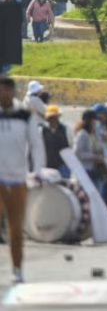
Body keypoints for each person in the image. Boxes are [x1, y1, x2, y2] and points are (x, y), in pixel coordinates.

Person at [0, 76, 45, 283]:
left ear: (12, 92)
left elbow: (36, 145)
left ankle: (17, 269)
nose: (3, 95)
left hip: (17, 179)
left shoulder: (25, 115)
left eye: (5, 91)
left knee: (15, 228)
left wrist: (36, 171)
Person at [41, 105, 71, 178]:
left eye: (54, 117)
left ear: (58, 117)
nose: (52, 120)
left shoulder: (65, 129)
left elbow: (71, 146)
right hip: (47, 166)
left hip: (63, 165)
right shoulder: (42, 130)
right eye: (50, 118)